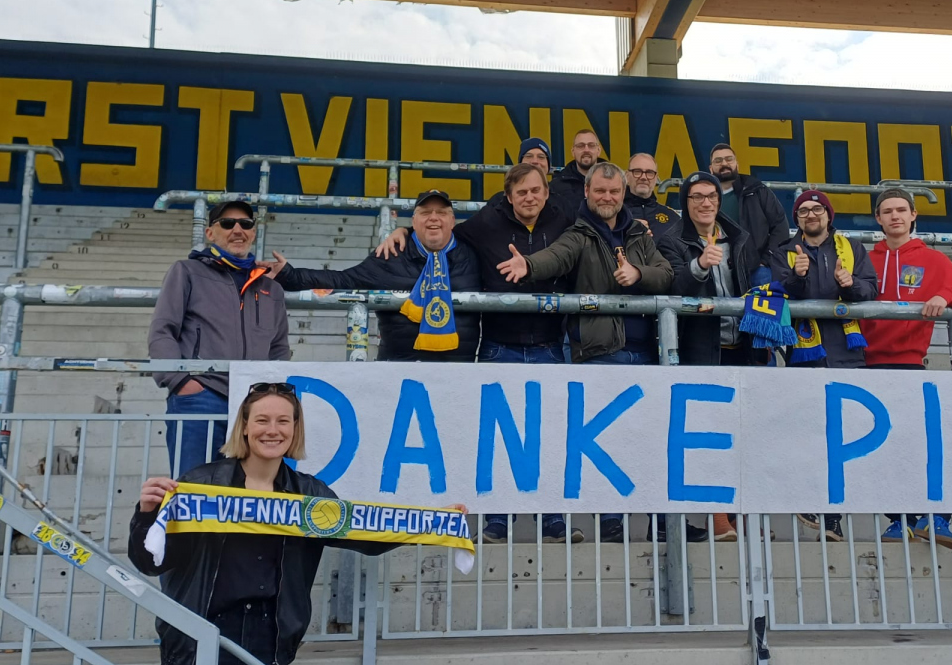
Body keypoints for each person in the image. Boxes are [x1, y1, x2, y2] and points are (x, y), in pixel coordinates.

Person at [128, 382, 444, 665]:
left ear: (295, 430)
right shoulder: (200, 484)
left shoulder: (309, 494)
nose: (272, 430)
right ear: (245, 427)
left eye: (283, 421)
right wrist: (147, 514)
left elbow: (365, 535)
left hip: (268, 643)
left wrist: (433, 522)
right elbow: (151, 562)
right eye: (262, 420)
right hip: (199, 641)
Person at [374, 165, 580, 545]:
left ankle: (552, 518)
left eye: (536, 191)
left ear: (546, 193)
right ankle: (497, 520)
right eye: (522, 192)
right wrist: (403, 231)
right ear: (508, 196)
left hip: (551, 346)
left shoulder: (564, 219)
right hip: (499, 346)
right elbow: (441, 231)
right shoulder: (487, 221)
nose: (530, 198)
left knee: (550, 434)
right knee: (495, 436)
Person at [497, 162, 673, 543]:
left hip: (646, 354)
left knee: (649, 440)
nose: (607, 198)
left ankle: (661, 524)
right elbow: (556, 257)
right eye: (600, 191)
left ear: (623, 195)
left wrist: (638, 274)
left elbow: (666, 273)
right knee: (605, 440)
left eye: (614, 192)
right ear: (587, 192)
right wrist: (528, 265)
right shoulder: (579, 234)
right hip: (600, 352)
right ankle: (611, 520)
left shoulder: (639, 235)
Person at [862, 188, 952, 551]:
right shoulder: (865, 259)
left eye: (901, 210)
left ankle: (937, 517)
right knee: (881, 449)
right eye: (887, 211)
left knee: (923, 443)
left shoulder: (931, 259)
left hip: (910, 363)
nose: (895, 216)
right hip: (865, 365)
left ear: (913, 215)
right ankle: (900, 519)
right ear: (878, 219)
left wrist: (945, 295)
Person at [149, 201, 290, 477]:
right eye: (227, 223)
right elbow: (163, 329)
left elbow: (279, 347)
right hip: (202, 397)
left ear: (253, 232)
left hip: (254, 402)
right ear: (210, 233)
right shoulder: (187, 271)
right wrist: (181, 382)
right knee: (195, 485)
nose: (238, 230)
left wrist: (272, 395)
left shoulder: (270, 287)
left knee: (251, 488)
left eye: (245, 224)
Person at [771, 189, 878, 543]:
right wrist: (797, 276)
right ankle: (810, 503)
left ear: (829, 216)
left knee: (842, 438)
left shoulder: (852, 248)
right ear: (797, 219)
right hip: (804, 357)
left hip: (847, 354)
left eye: (817, 209)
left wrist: (850, 285)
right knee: (808, 435)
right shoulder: (784, 251)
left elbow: (870, 289)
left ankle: (833, 518)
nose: (811, 215)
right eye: (803, 211)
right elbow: (779, 293)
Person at [263, 191, 480, 361]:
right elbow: (343, 280)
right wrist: (289, 275)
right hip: (399, 370)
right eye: (425, 213)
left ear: (453, 221)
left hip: (461, 372)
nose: (433, 218)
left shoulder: (473, 254)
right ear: (414, 222)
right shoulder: (391, 255)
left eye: (441, 212)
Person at [659, 171, 755, 543]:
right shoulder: (671, 241)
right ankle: (717, 515)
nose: (705, 203)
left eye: (711, 195)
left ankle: (743, 514)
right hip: (702, 350)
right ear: (685, 203)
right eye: (697, 196)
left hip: (743, 349)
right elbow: (673, 286)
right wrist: (699, 265)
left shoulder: (740, 237)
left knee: (743, 436)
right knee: (710, 436)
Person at [708, 143, 790, 285]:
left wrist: (766, 259)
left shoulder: (757, 190)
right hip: (718, 270)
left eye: (729, 159)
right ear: (710, 169)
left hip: (757, 270)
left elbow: (780, 225)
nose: (724, 164)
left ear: (737, 164)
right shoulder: (705, 197)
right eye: (718, 161)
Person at [624, 152, 681, 240]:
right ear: (627, 176)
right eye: (637, 172)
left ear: (656, 178)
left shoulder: (673, 218)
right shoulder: (614, 215)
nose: (643, 177)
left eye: (649, 172)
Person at [549, 128, 602, 221]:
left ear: (599, 151)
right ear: (573, 152)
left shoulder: (614, 182)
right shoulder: (557, 186)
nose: (586, 150)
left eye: (591, 145)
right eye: (581, 146)